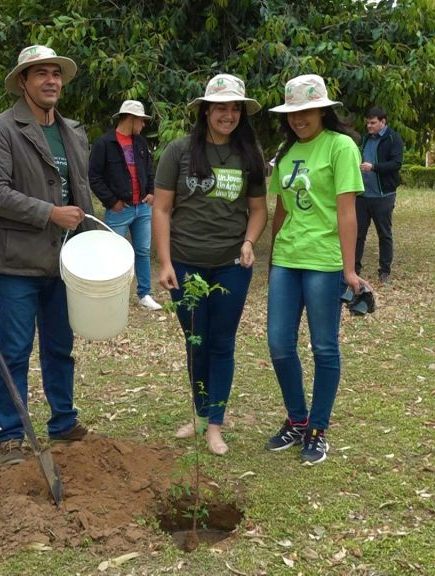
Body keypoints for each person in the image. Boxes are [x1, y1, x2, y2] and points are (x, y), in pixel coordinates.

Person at [0, 45, 94, 466]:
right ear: (23, 82)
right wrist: (49, 213)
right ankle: (10, 434)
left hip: (66, 262)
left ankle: (63, 421)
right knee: (15, 350)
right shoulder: (1, 129)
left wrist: (92, 239)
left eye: (55, 73)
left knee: (61, 346)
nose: (50, 81)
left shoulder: (74, 131)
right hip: (18, 262)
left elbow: (81, 192)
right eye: (39, 73)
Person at [153, 74, 267, 456]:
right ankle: (199, 415)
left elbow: (258, 211)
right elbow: (162, 209)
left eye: (235, 108)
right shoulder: (179, 151)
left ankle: (215, 424)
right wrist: (165, 261)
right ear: (205, 111)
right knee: (195, 341)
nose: (228, 115)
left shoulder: (248, 153)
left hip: (231, 266)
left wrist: (249, 241)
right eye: (221, 107)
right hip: (185, 265)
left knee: (222, 342)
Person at [264, 75, 368, 466]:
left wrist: (350, 270)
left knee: (324, 347)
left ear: (322, 110)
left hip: (324, 263)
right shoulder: (287, 151)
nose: (298, 119)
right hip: (288, 260)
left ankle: (318, 429)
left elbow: (346, 212)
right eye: (292, 113)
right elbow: (282, 209)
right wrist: (272, 258)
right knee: (278, 344)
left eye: (306, 111)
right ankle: (297, 418)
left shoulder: (341, 147)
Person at [89, 100, 161, 311]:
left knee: (143, 250)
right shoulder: (104, 144)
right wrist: (111, 201)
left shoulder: (140, 144)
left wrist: (151, 192)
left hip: (142, 208)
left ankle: (145, 294)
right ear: (130, 118)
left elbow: (149, 170)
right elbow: (94, 177)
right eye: (141, 120)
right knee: (113, 253)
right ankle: (111, 295)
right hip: (120, 209)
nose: (144, 125)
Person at [356, 105, 403, 285]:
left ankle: (384, 271)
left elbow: (396, 164)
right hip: (362, 195)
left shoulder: (393, 139)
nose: (369, 126)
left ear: (383, 122)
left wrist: (374, 167)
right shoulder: (365, 140)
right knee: (358, 234)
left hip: (383, 195)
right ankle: (354, 269)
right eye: (368, 123)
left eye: (373, 123)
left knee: (384, 234)